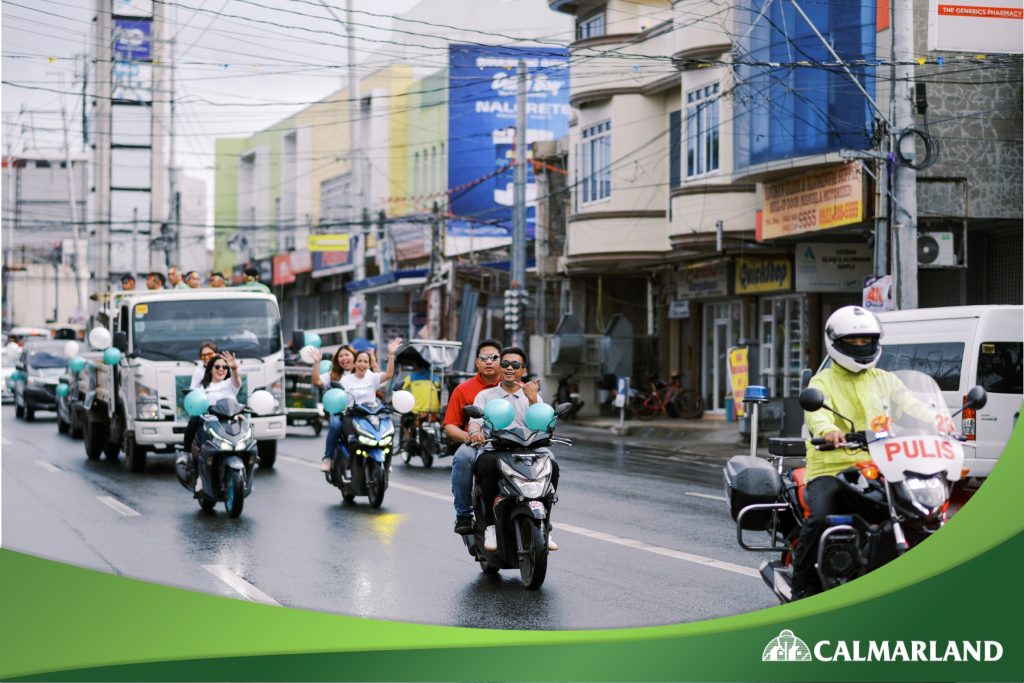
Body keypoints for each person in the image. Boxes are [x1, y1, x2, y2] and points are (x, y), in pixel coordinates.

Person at [791, 305, 931, 600]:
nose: (860, 346)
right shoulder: (822, 382)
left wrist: (939, 419)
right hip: (832, 469)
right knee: (821, 518)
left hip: (882, 466)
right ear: (835, 342)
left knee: (917, 512)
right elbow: (817, 417)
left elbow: (911, 405)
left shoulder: (885, 380)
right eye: (852, 342)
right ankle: (802, 587)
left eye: (865, 341)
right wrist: (828, 430)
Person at [470, 346, 558, 552]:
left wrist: (533, 398)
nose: (510, 368)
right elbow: (475, 421)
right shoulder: (485, 396)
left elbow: (546, 423)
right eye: (505, 364)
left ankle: (546, 525)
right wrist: (475, 432)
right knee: (489, 467)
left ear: (523, 371)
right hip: (495, 449)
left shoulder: (533, 396)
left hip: (529, 451)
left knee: (552, 466)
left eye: (515, 365)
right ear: (500, 367)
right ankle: (491, 525)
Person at [444, 339, 503, 535]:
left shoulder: (514, 386)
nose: (489, 362)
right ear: (476, 362)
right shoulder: (463, 389)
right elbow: (450, 425)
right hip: (476, 443)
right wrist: (468, 437)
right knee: (462, 458)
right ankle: (463, 514)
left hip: (511, 443)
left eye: (494, 358)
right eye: (483, 358)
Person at [334, 338, 403, 478]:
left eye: (366, 362)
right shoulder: (345, 380)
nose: (363, 364)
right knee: (352, 441)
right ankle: (348, 464)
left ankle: (385, 464)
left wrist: (391, 355)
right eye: (360, 361)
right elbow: (338, 398)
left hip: (371, 416)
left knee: (387, 436)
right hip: (352, 416)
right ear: (354, 363)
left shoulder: (372, 377)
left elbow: (389, 374)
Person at [181, 351, 242, 457]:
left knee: (246, 424)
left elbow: (237, 381)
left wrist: (234, 369)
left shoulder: (229, 384)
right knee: (193, 419)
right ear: (210, 369)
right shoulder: (202, 388)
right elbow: (195, 404)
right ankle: (186, 455)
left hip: (229, 423)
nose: (221, 369)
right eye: (217, 367)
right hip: (210, 423)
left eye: (225, 367)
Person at [309, 344, 357, 472]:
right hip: (339, 411)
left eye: (347, 354)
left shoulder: (361, 371)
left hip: (359, 410)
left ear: (354, 356)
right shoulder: (334, 374)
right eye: (341, 356)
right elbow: (317, 381)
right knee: (335, 425)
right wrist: (317, 363)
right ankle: (328, 458)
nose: (344, 358)